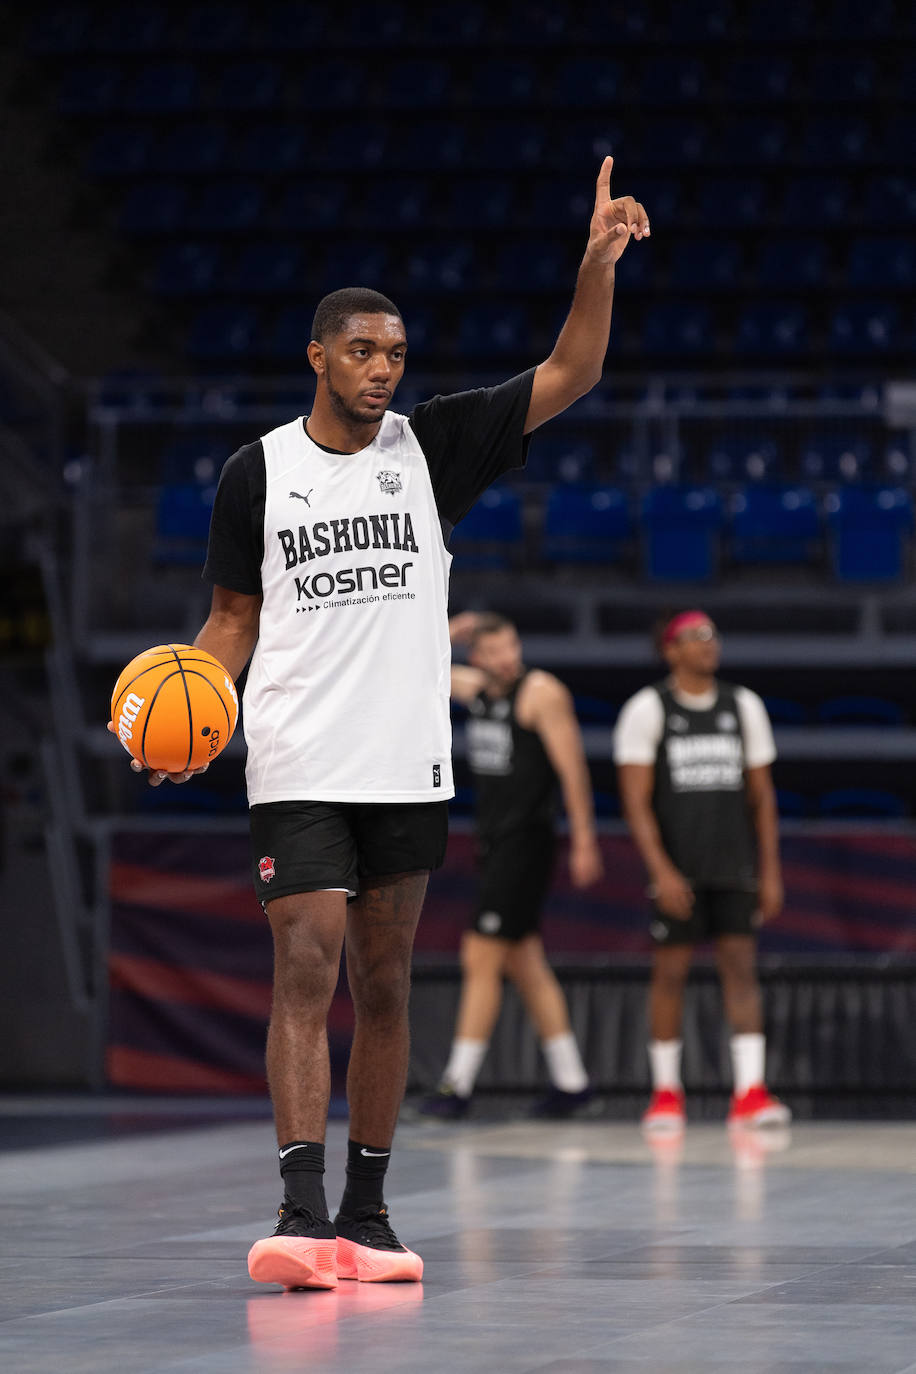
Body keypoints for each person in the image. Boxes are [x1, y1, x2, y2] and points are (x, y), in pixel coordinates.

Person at [110, 159, 649, 1289]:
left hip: (407, 763)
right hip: (300, 755)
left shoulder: (432, 446)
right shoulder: (256, 472)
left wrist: (593, 265)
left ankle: (368, 1212)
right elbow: (227, 622)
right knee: (304, 965)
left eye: (394, 353)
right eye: (362, 350)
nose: (381, 368)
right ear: (318, 355)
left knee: (389, 983)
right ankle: (298, 1211)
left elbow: (575, 369)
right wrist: (189, 717)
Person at [419, 611, 603, 1121]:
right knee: (524, 962)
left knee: (480, 955)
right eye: (495, 650)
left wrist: (585, 839)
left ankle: (457, 1087)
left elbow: (573, 770)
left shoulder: (541, 693)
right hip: (494, 842)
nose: (508, 658)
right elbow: (418, 666)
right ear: (477, 657)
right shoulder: (478, 689)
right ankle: (572, 1082)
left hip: (528, 843)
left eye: (513, 646)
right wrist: (448, 630)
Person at [613, 609, 790, 1136]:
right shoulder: (648, 709)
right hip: (678, 867)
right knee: (669, 974)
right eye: (697, 636)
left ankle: (750, 1094)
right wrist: (660, 869)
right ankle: (666, 1094)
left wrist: (771, 869)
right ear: (671, 650)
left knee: (741, 970)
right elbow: (636, 802)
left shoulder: (744, 705)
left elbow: (762, 796)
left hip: (734, 864)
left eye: (713, 634)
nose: (709, 643)